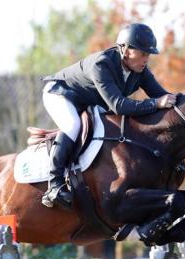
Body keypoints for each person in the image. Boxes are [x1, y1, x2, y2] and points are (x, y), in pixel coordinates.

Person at [40, 23, 176, 210]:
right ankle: (54, 184)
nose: (146, 59)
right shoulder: (101, 64)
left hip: (87, 102)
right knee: (72, 125)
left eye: (148, 54)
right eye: (143, 53)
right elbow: (119, 105)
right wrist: (155, 104)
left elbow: (161, 96)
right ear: (125, 50)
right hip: (60, 93)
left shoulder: (140, 71)